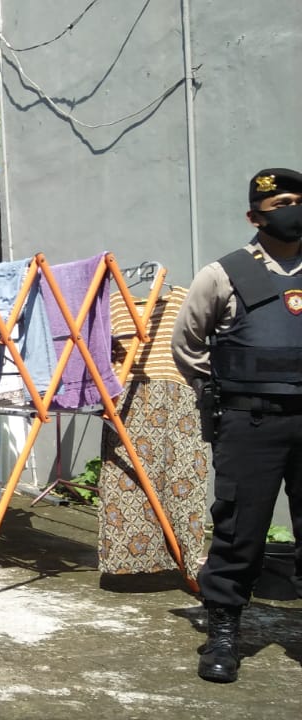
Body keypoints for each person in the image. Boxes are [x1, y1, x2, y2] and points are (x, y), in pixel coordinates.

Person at [172, 167, 302, 684]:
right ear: (255, 216)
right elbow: (188, 346)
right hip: (251, 422)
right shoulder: (223, 274)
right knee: (238, 530)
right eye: (283, 203)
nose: (294, 209)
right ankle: (224, 631)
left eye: (299, 198)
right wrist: (225, 389)